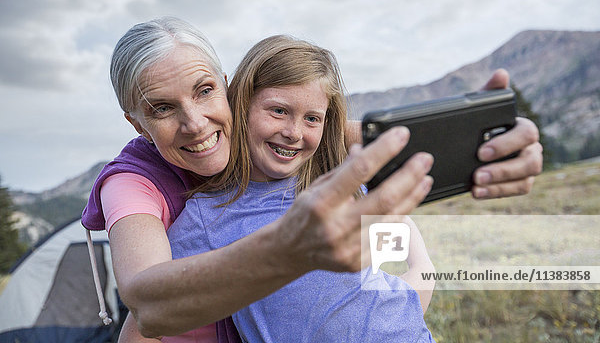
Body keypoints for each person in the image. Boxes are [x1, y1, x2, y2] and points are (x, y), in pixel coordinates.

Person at [80, 17, 543, 341]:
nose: (197, 124)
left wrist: (452, 145)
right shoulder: (149, 190)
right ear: (136, 121)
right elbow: (147, 307)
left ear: (226, 89)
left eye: (205, 92)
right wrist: (292, 247)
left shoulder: (332, 171)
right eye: (162, 108)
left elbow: (389, 263)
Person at [168, 35, 436, 342]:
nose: (294, 133)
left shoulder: (340, 185)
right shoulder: (208, 214)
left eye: (312, 119)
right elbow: (154, 315)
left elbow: (398, 257)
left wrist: (421, 274)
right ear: (243, 106)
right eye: (279, 111)